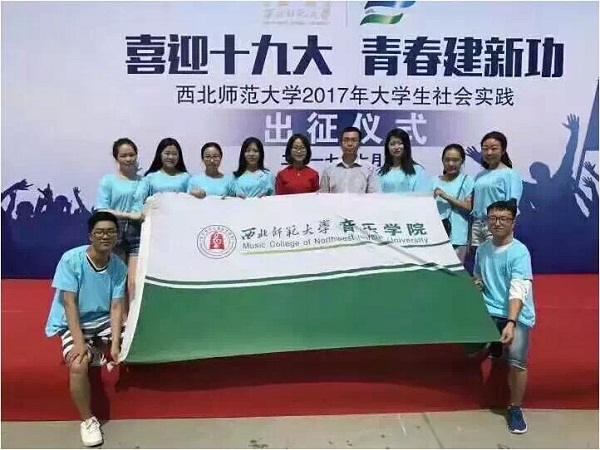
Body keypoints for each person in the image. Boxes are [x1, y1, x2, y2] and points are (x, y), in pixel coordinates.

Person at [44, 211, 127, 447]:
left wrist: (116, 344)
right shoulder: (71, 259)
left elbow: (116, 306)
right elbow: (69, 302)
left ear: (117, 236)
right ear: (90, 235)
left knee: (134, 344)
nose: (105, 236)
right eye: (100, 232)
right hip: (74, 321)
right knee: (79, 364)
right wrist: (79, 342)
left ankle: (100, 348)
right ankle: (88, 420)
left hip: (103, 320)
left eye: (110, 232)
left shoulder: (119, 266)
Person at [472, 200, 535, 434]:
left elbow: (518, 290)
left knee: (517, 359)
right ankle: (494, 343)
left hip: (515, 314)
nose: (497, 223)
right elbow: (479, 277)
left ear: (513, 223)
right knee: (468, 347)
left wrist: (511, 322)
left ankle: (515, 407)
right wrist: (477, 284)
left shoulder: (519, 252)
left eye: (504, 219)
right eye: (493, 218)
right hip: (488, 309)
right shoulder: (483, 249)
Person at [95, 138, 142, 310]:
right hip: (115, 232)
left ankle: (133, 320)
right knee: (118, 281)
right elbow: (102, 209)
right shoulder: (108, 181)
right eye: (124, 156)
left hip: (138, 232)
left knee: (134, 281)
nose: (128, 159)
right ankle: (119, 320)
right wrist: (129, 215)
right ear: (116, 158)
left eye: (131, 155)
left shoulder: (144, 181)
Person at [471, 131, 523, 249]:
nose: (489, 152)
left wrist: (500, 225)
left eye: (494, 148)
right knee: (479, 257)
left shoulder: (510, 174)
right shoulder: (480, 175)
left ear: (503, 150)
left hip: (497, 224)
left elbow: (512, 204)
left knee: (496, 255)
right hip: (478, 224)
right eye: (485, 149)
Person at [431, 144, 475, 264]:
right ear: (442, 161)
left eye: (455, 160)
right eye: (447, 160)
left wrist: (446, 196)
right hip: (435, 237)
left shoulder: (467, 181)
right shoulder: (433, 181)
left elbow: (469, 207)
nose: (451, 163)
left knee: (456, 273)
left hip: (458, 238)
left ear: (462, 161)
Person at [133, 137, 190, 211]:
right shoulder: (150, 177)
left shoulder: (186, 177)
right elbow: (139, 198)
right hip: (155, 216)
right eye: (167, 153)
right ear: (160, 154)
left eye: (174, 154)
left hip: (179, 216)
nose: (170, 157)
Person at [319, 126, 379, 193]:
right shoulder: (329, 169)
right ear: (340, 143)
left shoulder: (369, 169)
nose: (350, 144)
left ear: (359, 144)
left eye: (354, 140)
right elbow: (323, 196)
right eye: (346, 140)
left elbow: (373, 195)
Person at [377, 128, 428, 193]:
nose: (396, 147)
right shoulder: (380, 173)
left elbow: (421, 195)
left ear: (406, 146)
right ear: (387, 147)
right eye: (392, 144)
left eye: (400, 143)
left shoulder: (418, 170)